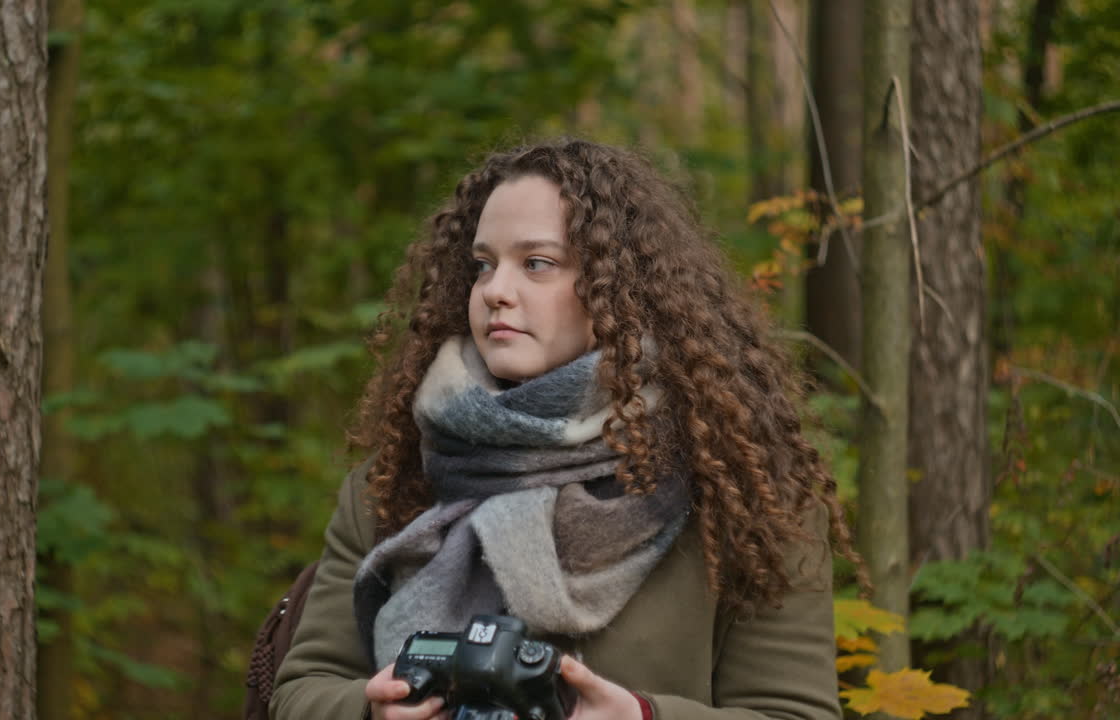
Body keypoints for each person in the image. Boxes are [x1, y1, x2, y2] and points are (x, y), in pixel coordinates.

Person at [268, 138, 857, 720]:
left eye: (537, 264)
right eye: (483, 265)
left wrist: (643, 718)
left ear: (620, 287)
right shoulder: (395, 480)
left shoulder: (740, 488)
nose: (496, 291)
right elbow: (301, 692)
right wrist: (372, 711)